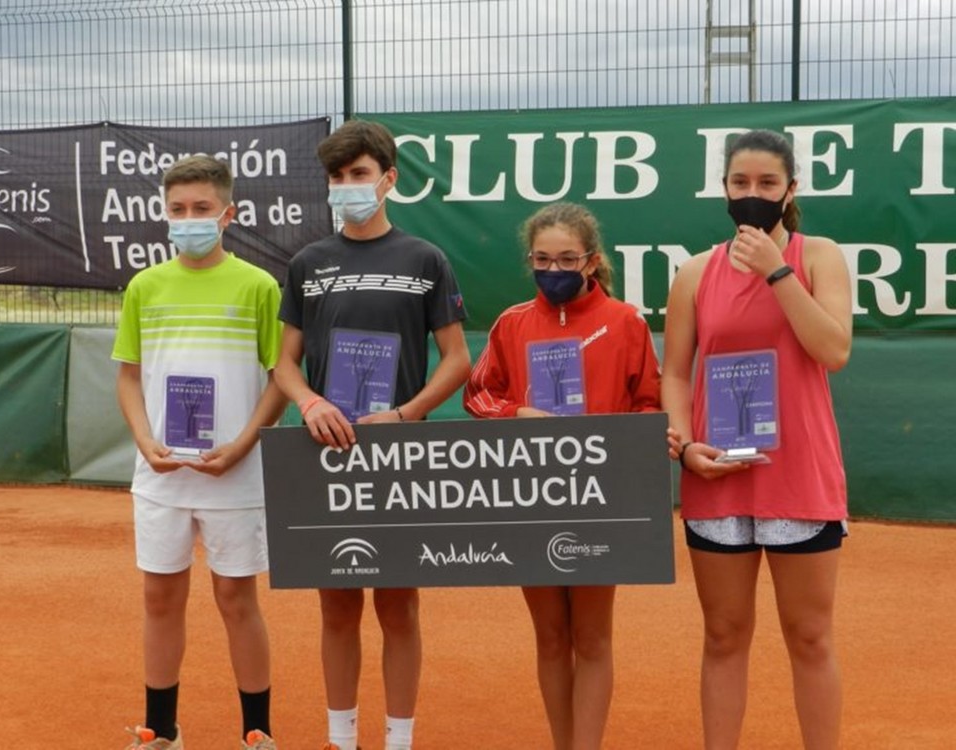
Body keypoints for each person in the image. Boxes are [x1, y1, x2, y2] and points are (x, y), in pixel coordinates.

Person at [272, 119, 471, 750]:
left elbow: (458, 360)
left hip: (397, 453)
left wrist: (408, 414)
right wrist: (306, 402)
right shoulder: (307, 264)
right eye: (337, 177)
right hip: (327, 453)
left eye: (359, 175)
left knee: (398, 606)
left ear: (388, 180)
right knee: (336, 605)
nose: (347, 187)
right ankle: (341, 739)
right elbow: (282, 363)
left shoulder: (425, 260)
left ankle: (399, 740)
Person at [661, 129, 852, 750]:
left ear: (790, 189)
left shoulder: (818, 255)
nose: (752, 194)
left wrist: (777, 271)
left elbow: (833, 349)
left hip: (799, 476)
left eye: (767, 183)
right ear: (724, 189)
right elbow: (677, 372)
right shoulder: (694, 272)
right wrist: (686, 445)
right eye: (740, 183)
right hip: (716, 478)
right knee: (722, 636)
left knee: (810, 636)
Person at [463, 202, 661, 750]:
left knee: (593, 638)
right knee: (551, 637)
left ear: (591, 261)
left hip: (602, 497)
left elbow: (650, 403)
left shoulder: (627, 322)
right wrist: (516, 414)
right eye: (542, 259)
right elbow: (478, 393)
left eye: (567, 258)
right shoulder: (511, 322)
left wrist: (617, 442)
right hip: (533, 497)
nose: (554, 269)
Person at [113, 155, 287, 750]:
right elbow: (129, 377)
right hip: (161, 471)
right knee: (160, 596)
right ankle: (161, 730)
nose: (189, 219)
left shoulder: (260, 286)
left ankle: (257, 731)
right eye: (178, 210)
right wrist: (145, 442)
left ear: (227, 214)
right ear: (165, 215)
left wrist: (241, 446)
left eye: (202, 209)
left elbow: (278, 379)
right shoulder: (144, 286)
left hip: (235, 474)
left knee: (237, 598)